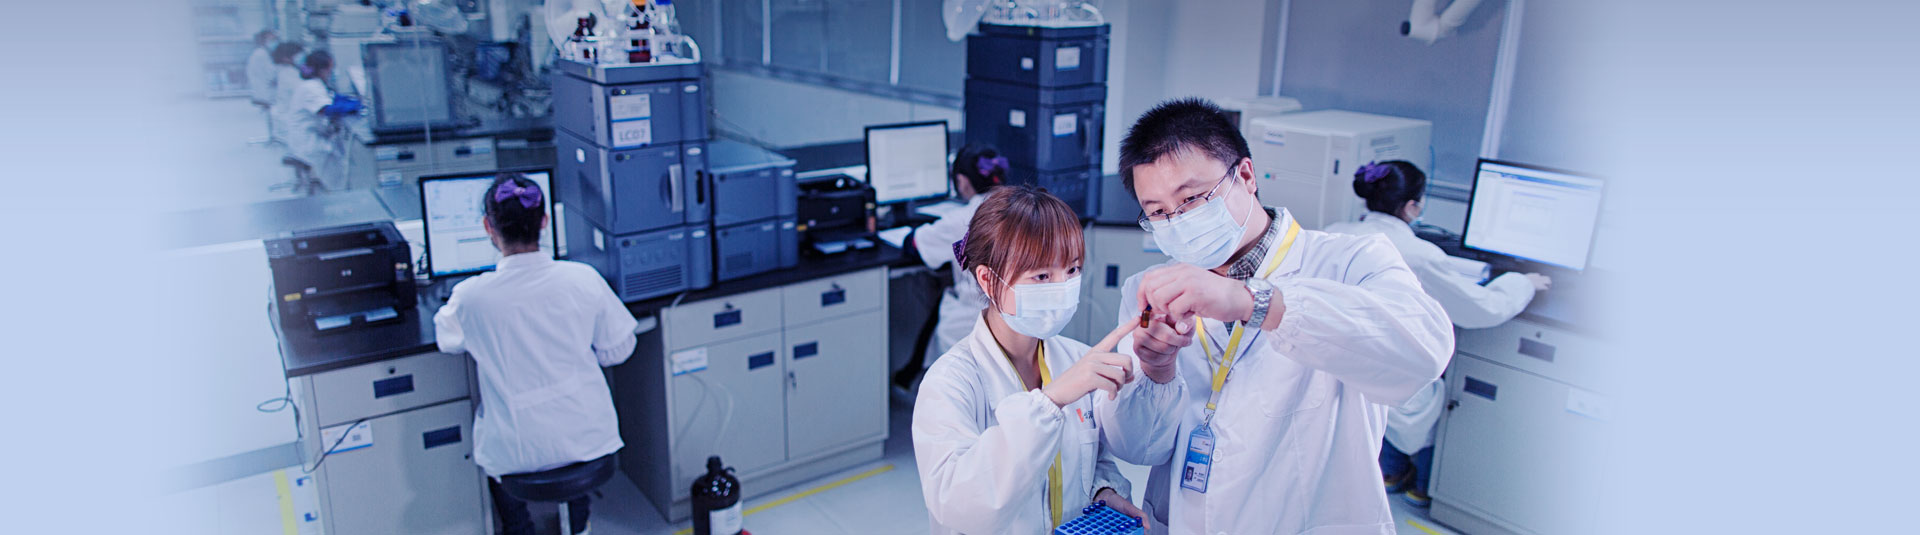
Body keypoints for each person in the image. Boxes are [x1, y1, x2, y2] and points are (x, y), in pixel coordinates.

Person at [1097, 98, 1455, 534]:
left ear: (1246, 176)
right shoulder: (1151, 290)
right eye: (1158, 212)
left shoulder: (1350, 261)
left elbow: (1423, 354)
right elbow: (1137, 448)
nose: (1178, 220)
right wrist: (1156, 374)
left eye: (1191, 198)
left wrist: (1256, 303)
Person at [912, 185, 1185, 534]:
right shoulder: (949, 383)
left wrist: (1103, 492)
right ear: (988, 280)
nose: (1062, 288)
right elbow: (961, 507)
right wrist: (1050, 402)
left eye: (1072, 271)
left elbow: (1093, 459)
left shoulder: (1076, 358)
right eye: (1042, 276)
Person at [1324, 160, 1552, 507]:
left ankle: (1391, 471)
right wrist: (1525, 283)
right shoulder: (1420, 255)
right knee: (1434, 393)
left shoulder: (1335, 232)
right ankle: (1423, 486)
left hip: (1339, 362)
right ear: (1412, 207)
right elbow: (1483, 308)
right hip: (1389, 369)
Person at [433, 174, 640, 535]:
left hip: (516, 451)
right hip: (586, 438)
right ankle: (578, 525)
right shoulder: (582, 279)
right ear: (544, 221)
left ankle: (519, 528)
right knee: (570, 441)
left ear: (488, 227)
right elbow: (619, 350)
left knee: (495, 447)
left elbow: (447, 340)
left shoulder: (470, 297)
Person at [894, 144, 1008, 390]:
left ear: (962, 182)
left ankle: (908, 377)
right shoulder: (1021, 207)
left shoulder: (962, 219)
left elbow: (914, 244)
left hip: (973, 318)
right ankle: (908, 373)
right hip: (1016, 319)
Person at [282, 51, 348, 192]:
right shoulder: (311, 87)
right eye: (331, 68)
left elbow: (331, 99)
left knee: (338, 153)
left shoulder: (315, 85)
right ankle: (339, 194)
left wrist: (347, 102)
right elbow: (326, 109)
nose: (332, 72)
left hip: (309, 136)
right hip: (308, 142)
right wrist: (353, 108)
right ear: (322, 69)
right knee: (337, 169)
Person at [268, 42, 305, 148]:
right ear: (286, 58)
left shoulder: (285, 70)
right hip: (290, 118)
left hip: (284, 114)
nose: (301, 57)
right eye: (297, 55)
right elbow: (303, 92)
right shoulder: (289, 73)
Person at [245, 29, 278, 142]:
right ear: (263, 40)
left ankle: (274, 134)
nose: (274, 41)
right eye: (272, 39)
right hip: (265, 92)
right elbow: (272, 74)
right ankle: (275, 136)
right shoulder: (262, 54)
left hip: (260, 89)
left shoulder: (259, 52)